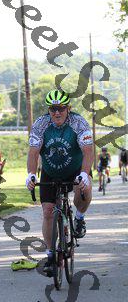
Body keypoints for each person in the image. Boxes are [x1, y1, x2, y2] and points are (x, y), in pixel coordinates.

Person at [26, 89, 93, 275]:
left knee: (85, 188)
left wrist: (84, 174)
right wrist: (31, 174)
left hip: (75, 171)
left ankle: (79, 218)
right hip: (50, 172)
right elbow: (33, 152)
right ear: (48, 110)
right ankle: (50, 255)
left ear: (68, 109)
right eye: (52, 109)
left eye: (61, 109)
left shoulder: (79, 123)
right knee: (48, 211)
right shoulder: (40, 124)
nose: (56, 113)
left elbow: (88, 151)